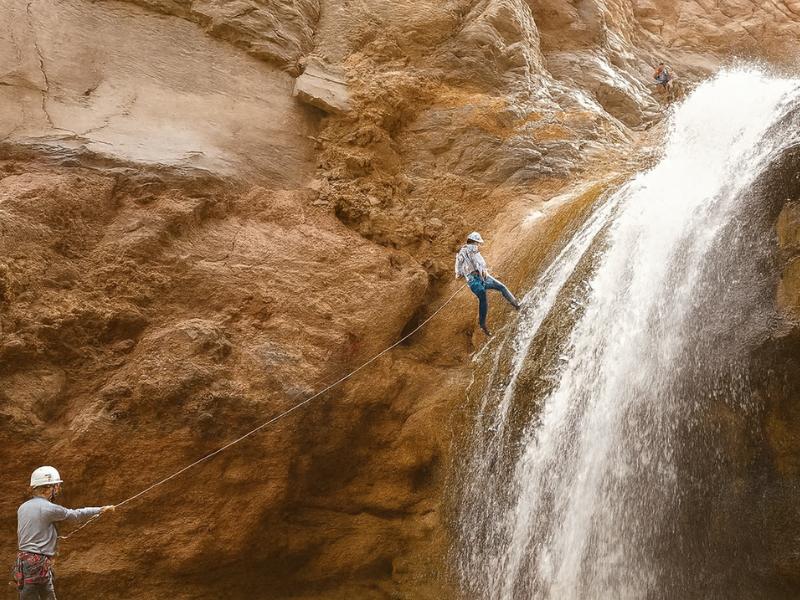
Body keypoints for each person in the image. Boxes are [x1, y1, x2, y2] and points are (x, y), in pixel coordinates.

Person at [14, 466, 115, 600]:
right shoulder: (49, 508)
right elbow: (75, 515)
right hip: (38, 563)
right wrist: (100, 510)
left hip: (24, 562)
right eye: (55, 486)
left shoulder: (23, 507)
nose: (57, 490)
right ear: (48, 488)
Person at [455, 231, 520, 336]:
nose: (478, 245)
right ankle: (482, 324)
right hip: (473, 281)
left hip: (483, 277)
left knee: (501, 287)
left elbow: (480, 264)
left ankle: (516, 304)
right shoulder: (464, 253)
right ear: (472, 242)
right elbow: (458, 269)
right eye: (477, 243)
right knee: (482, 294)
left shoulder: (474, 251)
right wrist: (459, 274)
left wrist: (482, 271)